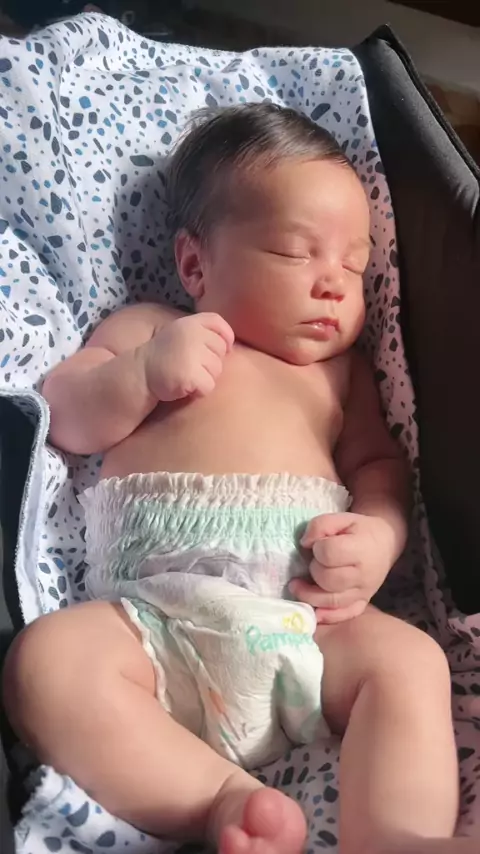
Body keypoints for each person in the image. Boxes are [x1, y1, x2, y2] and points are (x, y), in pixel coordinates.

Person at [2, 104, 469, 854]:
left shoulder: (339, 376)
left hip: (307, 623)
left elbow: (380, 469)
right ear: (195, 266)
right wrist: (141, 377)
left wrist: (379, 540)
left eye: (354, 265)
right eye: (295, 252)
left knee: (411, 663)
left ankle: (396, 837)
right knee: (46, 663)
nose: (334, 283)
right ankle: (221, 802)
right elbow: (64, 415)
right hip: (154, 624)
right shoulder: (148, 330)